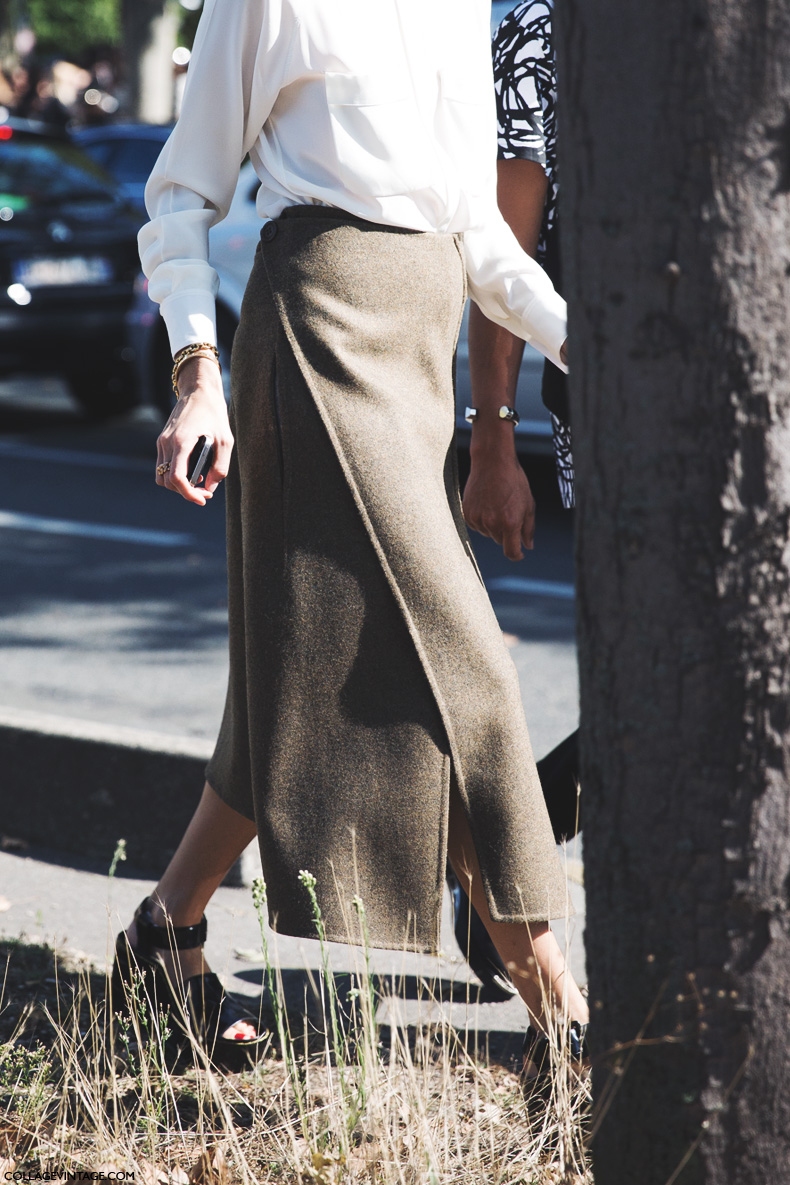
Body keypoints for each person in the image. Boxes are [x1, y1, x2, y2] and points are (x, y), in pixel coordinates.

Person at [114, 0, 589, 1074]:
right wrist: (198, 374)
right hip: (318, 329)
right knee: (459, 671)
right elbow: (180, 191)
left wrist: (583, 345)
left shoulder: (462, 12)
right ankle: (566, 1024)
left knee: (305, 680)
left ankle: (164, 932)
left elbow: (477, 236)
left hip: (419, 354)